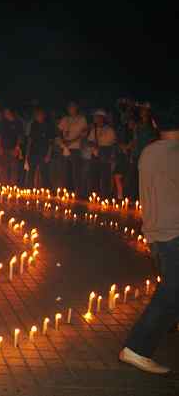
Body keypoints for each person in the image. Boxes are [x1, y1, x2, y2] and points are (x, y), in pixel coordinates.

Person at [119, 100, 179, 374]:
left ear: (155, 124)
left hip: (155, 232)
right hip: (175, 232)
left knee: (172, 289)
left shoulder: (148, 153)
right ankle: (138, 347)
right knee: (171, 291)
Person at [58, 102, 88, 195]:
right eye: (69, 107)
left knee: (76, 171)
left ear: (76, 108)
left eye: (73, 107)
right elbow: (59, 130)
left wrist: (72, 141)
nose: (71, 109)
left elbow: (84, 133)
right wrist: (63, 140)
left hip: (76, 147)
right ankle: (66, 190)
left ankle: (78, 192)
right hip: (65, 148)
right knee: (65, 170)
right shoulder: (65, 119)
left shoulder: (81, 119)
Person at [87, 110, 117, 198]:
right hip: (95, 153)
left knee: (105, 176)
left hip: (105, 153)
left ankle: (105, 196)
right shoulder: (94, 130)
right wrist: (93, 145)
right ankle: (94, 195)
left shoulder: (109, 130)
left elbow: (113, 143)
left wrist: (111, 155)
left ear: (102, 118)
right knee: (94, 175)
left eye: (97, 117)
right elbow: (89, 141)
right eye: (95, 117)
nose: (95, 119)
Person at [24, 108, 54, 188]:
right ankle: (30, 189)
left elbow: (51, 142)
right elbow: (30, 139)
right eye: (36, 115)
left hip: (43, 152)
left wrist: (48, 154)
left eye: (39, 115)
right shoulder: (34, 124)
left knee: (44, 172)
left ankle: (47, 189)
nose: (37, 117)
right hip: (33, 152)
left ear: (43, 115)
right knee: (31, 172)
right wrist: (27, 153)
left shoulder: (48, 125)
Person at [0, 107, 23, 186]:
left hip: (13, 148)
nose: (5, 114)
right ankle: (4, 184)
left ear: (10, 112)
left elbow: (19, 136)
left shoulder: (18, 123)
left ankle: (13, 185)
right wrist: (0, 147)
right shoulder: (3, 122)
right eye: (4, 113)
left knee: (14, 167)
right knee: (3, 167)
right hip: (4, 147)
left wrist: (17, 147)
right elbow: (0, 136)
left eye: (6, 112)